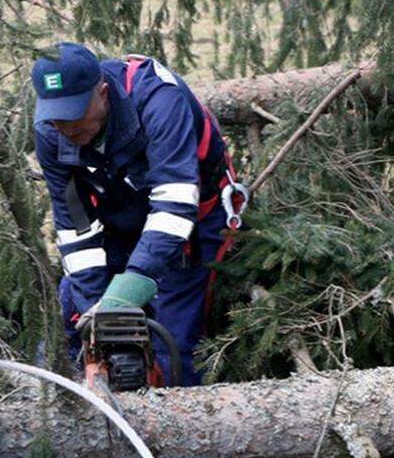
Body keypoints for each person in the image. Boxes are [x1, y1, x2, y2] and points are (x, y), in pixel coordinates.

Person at [32, 43, 244, 386]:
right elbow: (75, 227)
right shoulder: (50, 132)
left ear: (102, 93)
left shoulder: (158, 100)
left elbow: (175, 206)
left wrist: (125, 294)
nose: (67, 130)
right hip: (122, 218)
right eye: (57, 118)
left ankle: (173, 418)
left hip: (190, 223)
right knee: (73, 310)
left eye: (74, 115)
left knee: (172, 342)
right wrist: (95, 313)